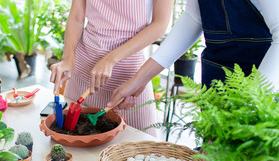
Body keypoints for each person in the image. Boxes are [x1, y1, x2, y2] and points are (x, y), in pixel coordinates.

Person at [108, 0, 279, 110]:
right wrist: (139, 80)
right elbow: (193, 18)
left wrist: (250, 102)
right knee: (212, 159)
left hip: (262, 85)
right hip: (216, 76)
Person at [49, 0, 173, 137]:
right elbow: (77, 16)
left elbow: (159, 25)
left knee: (142, 149)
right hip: (82, 75)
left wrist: (110, 59)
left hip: (129, 80)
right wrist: (68, 59)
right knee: (76, 147)